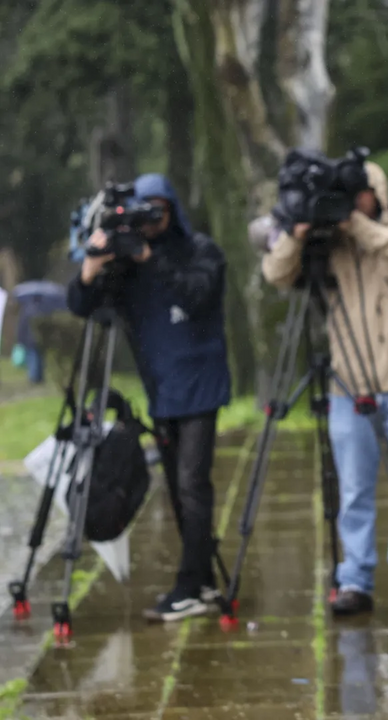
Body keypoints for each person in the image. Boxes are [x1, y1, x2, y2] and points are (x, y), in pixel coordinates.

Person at [261, 160, 388, 618]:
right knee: (354, 490)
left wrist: (356, 224)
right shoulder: (327, 243)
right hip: (347, 382)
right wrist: (298, 233)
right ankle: (355, 580)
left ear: (375, 193)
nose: (352, 201)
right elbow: (276, 273)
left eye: (360, 193)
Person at [67, 173, 232, 622]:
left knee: (192, 485)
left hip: (201, 384)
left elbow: (198, 296)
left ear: (172, 208)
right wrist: (92, 265)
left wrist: (148, 258)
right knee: (178, 488)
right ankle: (200, 579)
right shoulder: (126, 265)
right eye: (145, 210)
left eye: (159, 208)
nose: (152, 218)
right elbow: (82, 306)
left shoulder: (200, 250)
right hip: (162, 390)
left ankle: (191, 585)